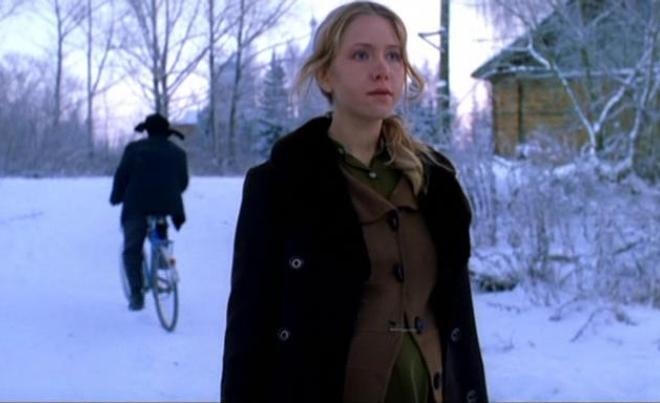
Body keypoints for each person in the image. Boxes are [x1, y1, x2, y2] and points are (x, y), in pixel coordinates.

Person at [221, 2, 488, 402]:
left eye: (393, 55)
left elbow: (459, 322)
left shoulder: (435, 183)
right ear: (326, 74)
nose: (382, 69)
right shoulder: (282, 183)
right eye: (361, 55)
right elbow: (250, 326)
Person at [110, 113, 188, 311]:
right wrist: (168, 194)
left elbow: (122, 176)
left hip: (136, 206)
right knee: (160, 238)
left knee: (132, 249)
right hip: (166, 206)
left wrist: (116, 197)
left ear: (147, 131)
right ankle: (163, 263)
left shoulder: (134, 149)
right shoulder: (178, 153)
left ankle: (136, 294)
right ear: (167, 133)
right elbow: (183, 182)